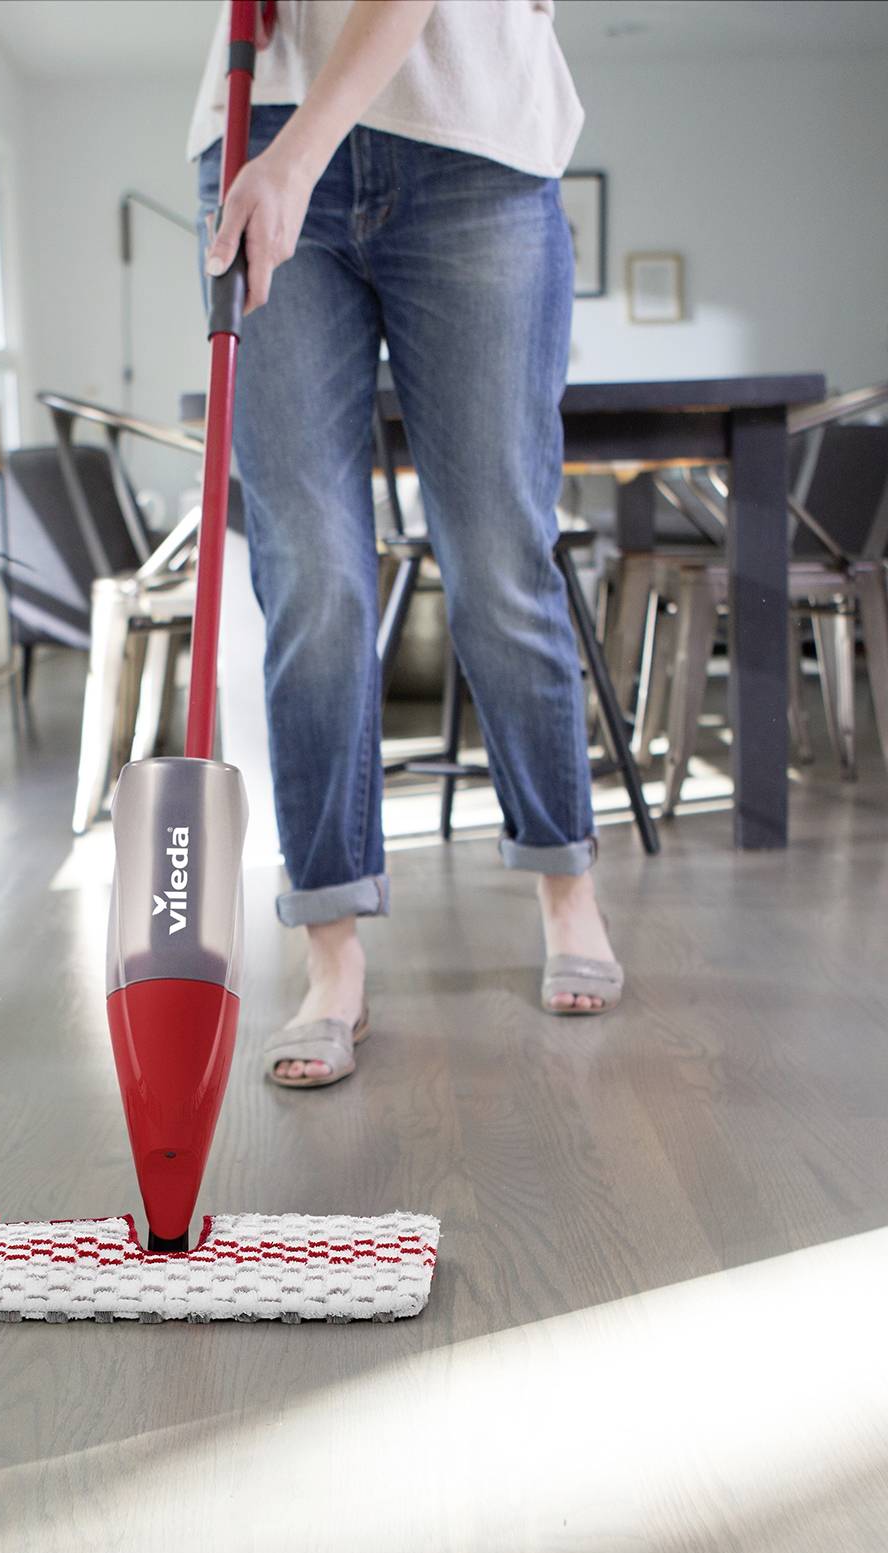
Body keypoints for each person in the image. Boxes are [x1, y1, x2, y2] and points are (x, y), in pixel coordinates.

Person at [192, 0, 622, 1092]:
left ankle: (563, 881)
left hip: (468, 142)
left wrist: (294, 158)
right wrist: (276, 158)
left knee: (495, 559)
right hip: (259, 126)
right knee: (312, 577)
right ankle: (329, 952)